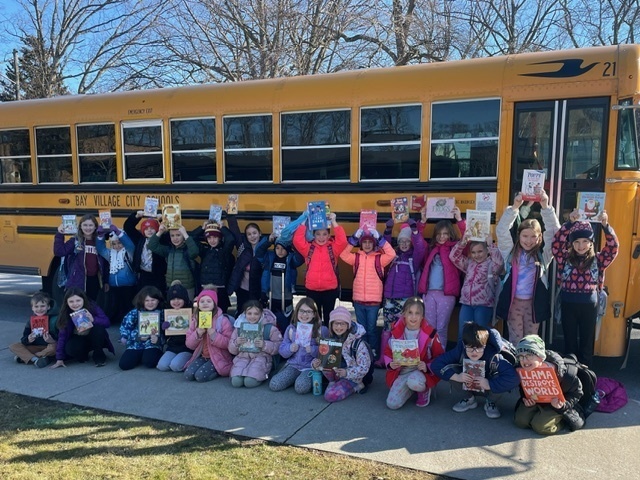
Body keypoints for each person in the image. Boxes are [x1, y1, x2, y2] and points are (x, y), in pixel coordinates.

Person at [551, 212, 618, 366]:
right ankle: (570, 377)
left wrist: (606, 226)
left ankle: (586, 378)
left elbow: (613, 247)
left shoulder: (599, 260)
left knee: (587, 345)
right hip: (568, 305)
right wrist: (569, 224)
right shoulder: (564, 258)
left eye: (585, 241)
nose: (580, 246)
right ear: (571, 243)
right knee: (570, 344)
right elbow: (556, 243)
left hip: (590, 307)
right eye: (576, 242)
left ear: (591, 243)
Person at [496, 190, 560, 344]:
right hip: (514, 304)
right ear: (519, 236)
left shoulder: (543, 256)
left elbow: (555, 233)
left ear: (539, 238)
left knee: (531, 342)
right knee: (516, 340)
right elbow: (501, 231)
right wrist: (515, 207)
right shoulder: (510, 253)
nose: (529, 240)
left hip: (533, 304)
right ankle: (517, 367)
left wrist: (545, 207)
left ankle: (529, 368)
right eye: (525, 236)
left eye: (533, 236)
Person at [431, 322, 520, 419]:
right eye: (470, 348)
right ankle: (469, 399)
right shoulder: (460, 351)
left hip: (489, 389)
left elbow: (514, 378)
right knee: (451, 371)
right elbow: (436, 364)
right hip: (467, 384)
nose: (474, 352)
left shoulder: (494, 356)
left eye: (478, 348)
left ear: (485, 345)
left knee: (501, 376)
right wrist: (457, 377)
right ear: (464, 345)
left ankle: (491, 402)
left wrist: (489, 384)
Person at [340, 226, 395, 359]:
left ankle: (373, 353)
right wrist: (353, 239)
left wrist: (380, 239)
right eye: (364, 242)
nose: (367, 244)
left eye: (370, 242)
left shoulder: (379, 259)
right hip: (358, 300)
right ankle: (362, 354)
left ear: (374, 243)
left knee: (371, 329)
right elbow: (343, 255)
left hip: (373, 302)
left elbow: (391, 254)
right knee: (361, 330)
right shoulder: (356, 258)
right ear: (361, 243)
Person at [514, 335, 585, 435]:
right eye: (521, 356)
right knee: (520, 422)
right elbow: (523, 389)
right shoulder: (522, 370)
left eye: (529, 356)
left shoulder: (563, 372)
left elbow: (577, 393)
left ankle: (560, 422)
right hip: (536, 402)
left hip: (556, 405)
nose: (524, 361)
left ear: (540, 357)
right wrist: (526, 400)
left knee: (540, 427)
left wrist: (563, 405)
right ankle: (538, 416)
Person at [383, 297, 445, 409]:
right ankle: (410, 389)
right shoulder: (396, 332)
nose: (413, 317)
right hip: (402, 371)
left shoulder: (431, 334)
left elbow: (440, 357)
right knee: (392, 404)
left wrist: (427, 366)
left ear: (422, 316)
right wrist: (390, 364)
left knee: (414, 381)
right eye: (410, 313)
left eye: (417, 313)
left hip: (420, 372)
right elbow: (388, 351)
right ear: (404, 314)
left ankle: (424, 389)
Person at [416, 206, 466, 345]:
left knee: (441, 328)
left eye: (445, 233)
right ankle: (429, 357)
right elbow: (418, 243)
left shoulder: (455, 248)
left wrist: (459, 220)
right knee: (429, 328)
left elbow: (466, 241)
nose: (442, 236)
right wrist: (422, 222)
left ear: (450, 234)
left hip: (446, 294)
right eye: (439, 233)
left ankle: (439, 356)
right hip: (430, 293)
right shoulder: (431, 249)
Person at [293, 212, 348, 325]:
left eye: (324, 234)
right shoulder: (309, 248)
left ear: (329, 236)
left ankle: (328, 340)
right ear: (314, 235)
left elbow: (342, 241)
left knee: (329, 318)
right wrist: (305, 221)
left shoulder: (333, 248)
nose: (321, 237)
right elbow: (297, 240)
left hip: (330, 290)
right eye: (318, 234)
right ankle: (315, 339)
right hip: (312, 289)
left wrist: (333, 222)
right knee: (312, 318)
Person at [450, 230, 504, 338]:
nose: (476, 255)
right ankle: (463, 355)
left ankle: (480, 355)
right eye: (473, 252)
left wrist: (491, 245)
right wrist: (463, 242)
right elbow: (453, 256)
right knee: (463, 334)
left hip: (483, 305)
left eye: (480, 251)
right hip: (466, 304)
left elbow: (500, 263)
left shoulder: (491, 264)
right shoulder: (469, 263)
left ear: (487, 251)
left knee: (479, 336)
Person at [310, 306, 371, 402]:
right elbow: (322, 359)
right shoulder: (329, 339)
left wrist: (347, 372)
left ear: (348, 325)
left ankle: (357, 386)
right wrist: (315, 364)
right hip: (335, 373)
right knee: (326, 361)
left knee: (329, 396)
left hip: (352, 377)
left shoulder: (357, 343)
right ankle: (332, 382)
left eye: (342, 324)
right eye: (336, 324)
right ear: (331, 325)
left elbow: (364, 367)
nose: (339, 327)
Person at [269, 297, 327, 394]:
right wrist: (291, 348)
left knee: (301, 388)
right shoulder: (291, 328)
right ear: (296, 312)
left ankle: (304, 380)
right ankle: (294, 378)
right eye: (301, 311)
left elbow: (326, 353)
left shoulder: (321, 330)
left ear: (314, 314)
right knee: (274, 384)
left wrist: (312, 349)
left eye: (308, 312)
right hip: (293, 365)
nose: (304, 314)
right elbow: (282, 350)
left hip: (310, 367)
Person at [51, 288, 114, 368]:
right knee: (70, 348)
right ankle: (83, 354)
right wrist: (59, 358)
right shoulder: (65, 313)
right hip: (78, 338)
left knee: (99, 329)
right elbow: (62, 336)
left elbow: (107, 322)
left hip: (93, 336)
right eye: (71, 301)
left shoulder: (92, 306)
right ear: (66, 302)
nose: (75, 304)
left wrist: (93, 320)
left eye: (78, 300)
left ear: (83, 300)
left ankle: (98, 354)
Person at [228, 300, 283, 388]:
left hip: (262, 358)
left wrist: (264, 345)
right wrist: (236, 342)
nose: (252, 316)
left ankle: (261, 376)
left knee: (249, 382)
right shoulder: (239, 328)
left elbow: (279, 346)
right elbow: (231, 350)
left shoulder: (269, 328)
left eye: (256, 314)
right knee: (236, 382)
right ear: (244, 314)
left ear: (261, 314)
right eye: (249, 313)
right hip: (242, 357)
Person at [53, 213, 108, 301]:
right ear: (80, 227)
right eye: (85, 225)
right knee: (78, 307)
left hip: (94, 280)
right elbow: (59, 251)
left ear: (95, 227)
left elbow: (104, 263)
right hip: (77, 280)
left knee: (92, 306)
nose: (88, 228)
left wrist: (105, 281)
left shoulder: (99, 242)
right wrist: (60, 234)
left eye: (91, 225)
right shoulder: (75, 241)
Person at [184, 288, 234, 382]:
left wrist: (214, 335)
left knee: (200, 376)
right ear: (198, 304)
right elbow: (189, 344)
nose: (205, 303)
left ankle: (216, 372)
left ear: (214, 303)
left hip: (219, 356)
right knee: (188, 375)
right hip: (202, 356)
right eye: (202, 301)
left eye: (208, 301)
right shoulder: (195, 320)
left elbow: (229, 343)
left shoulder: (222, 320)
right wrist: (197, 334)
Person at [259, 234, 304, 332]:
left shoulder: (291, 259)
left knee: (285, 322)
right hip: (271, 295)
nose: (280, 251)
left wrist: (294, 245)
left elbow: (300, 258)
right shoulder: (270, 257)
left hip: (286, 297)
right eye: (277, 248)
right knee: (270, 320)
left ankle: (285, 337)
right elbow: (258, 252)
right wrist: (268, 241)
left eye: (283, 248)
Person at [96, 224, 137, 324]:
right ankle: (121, 327)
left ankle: (129, 325)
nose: (117, 246)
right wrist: (100, 235)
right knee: (118, 308)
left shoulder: (128, 252)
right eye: (114, 244)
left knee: (128, 308)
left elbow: (130, 245)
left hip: (128, 286)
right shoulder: (110, 254)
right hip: (114, 286)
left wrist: (119, 233)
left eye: (119, 243)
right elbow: (100, 249)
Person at [192, 220, 236, 313]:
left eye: (215, 237)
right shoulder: (204, 250)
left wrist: (223, 228)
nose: (212, 240)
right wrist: (202, 228)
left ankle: (221, 328)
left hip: (220, 288)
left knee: (220, 313)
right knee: (206, 313)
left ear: (220, 238)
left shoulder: (224, 251)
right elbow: (191, 239)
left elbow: (230, 239)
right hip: (205, 287)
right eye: (209, 238)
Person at [227, 216, 269, 313]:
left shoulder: (265, 250)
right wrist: (230, 214)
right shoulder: (242, 247)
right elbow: (234, 230)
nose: (252, 236)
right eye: (249, 234)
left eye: (254, 233)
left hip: (257, 290)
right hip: (242, 289)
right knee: (242, 313)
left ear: (260, 233)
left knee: (255, 315)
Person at [148, 223, 199, 299]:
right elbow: (151, 245)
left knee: (187, 309)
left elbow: (195, 252)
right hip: (171, 287)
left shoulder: (188, 250)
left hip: (187, 287)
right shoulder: (169, 250)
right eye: (172, 236)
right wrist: (160, 232)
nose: (175, 238)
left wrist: (185, 234)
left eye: (178, 235)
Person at [118, 286, 164, 370]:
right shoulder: (134, 312)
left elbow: (166, 332)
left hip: (152, 344)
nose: (150, 303)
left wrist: (158, 339)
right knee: (124, 365)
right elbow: (125, 328)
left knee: (150, 362)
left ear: (158, 300)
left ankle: (147, 356)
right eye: (147, 300)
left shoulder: (162, 313)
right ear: (142, 301)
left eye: (153, 300)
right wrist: (136, 337)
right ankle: (139, 356)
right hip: (135, 344)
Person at [9, 291, 58, 368]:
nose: (39, 309)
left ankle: (27, 357)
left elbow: (60, 338)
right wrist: (28, 339)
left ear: (48, 307)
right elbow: (23, 338)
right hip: (34, 346)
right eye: (36, 306)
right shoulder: (30, 321)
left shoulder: (53, 319)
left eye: (42, 306)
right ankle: (36, 359)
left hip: (48, 347)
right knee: (13, 346)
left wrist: (52, 340)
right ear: (32, 308)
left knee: (55, 347)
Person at [123, 211, 167, 293]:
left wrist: (162, 220)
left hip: (158, 275)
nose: (149, 231)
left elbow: (168, 231)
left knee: (158, 297)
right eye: (146, 229)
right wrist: (136, 216)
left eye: (152, 228)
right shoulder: (140, 239)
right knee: (143, 298)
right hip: (143, 275)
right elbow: (128, 227)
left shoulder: (162, 239)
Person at [157, 281, 194, 372]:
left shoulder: (192, 311)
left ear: (185, 299)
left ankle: (191, 360)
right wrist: (164, 329)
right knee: (162, 366)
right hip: (173, 346)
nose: (176, 301)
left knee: (175, 366)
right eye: (173, 299)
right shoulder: (168, 312)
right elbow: (166, 337)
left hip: (187, 347)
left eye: (179, 298)